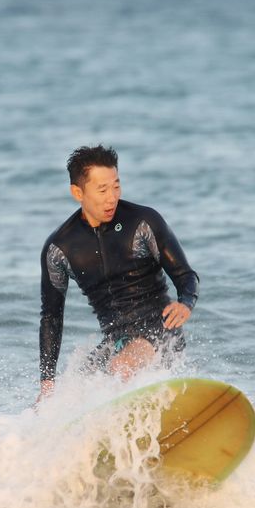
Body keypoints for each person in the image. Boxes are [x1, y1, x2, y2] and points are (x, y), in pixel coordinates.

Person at [38, 146, 199, 401]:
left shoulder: (143, 222)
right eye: (102, 190)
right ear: (77, 192)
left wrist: (186, 302)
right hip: (115, 341)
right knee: (68, 394)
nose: (111, 197)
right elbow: (51, 317)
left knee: (121, 368)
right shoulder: (60, 248)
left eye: (116, 186)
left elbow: (185, 275)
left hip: (159, 332)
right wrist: (47, 382)